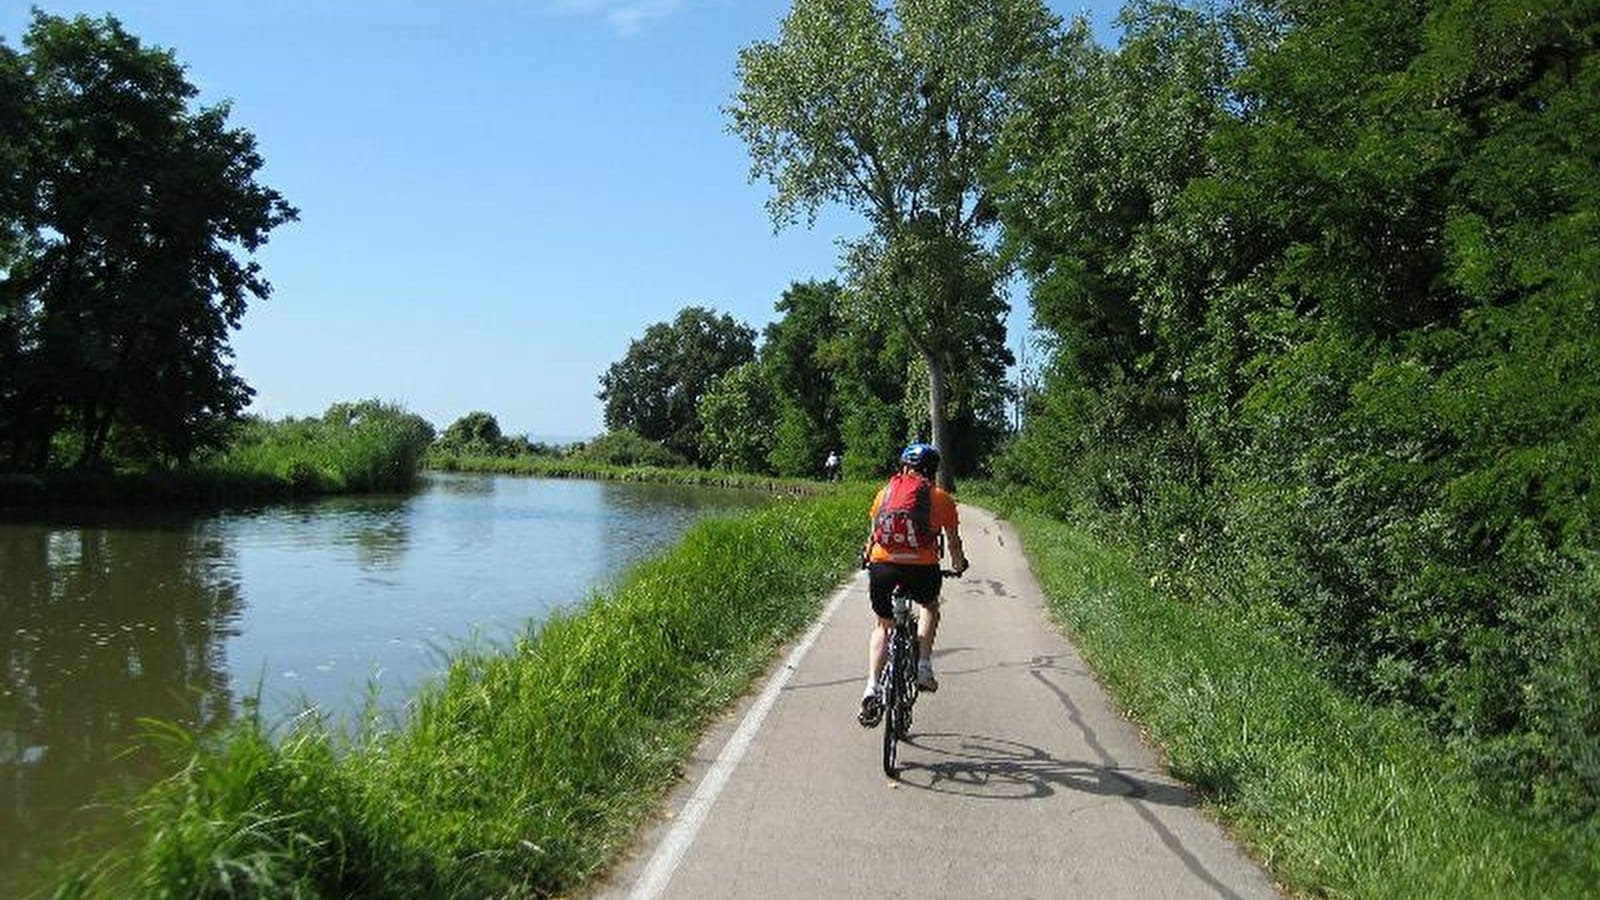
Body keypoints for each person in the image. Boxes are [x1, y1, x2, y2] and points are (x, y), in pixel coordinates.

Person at [857, 442, 968, 728]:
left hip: (883, 567)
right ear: (932, 471)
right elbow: (953, 542)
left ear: (904, 467)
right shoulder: (941, 498)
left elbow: (873, 535)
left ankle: (871, 687)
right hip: (922, 570)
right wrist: (958, 565)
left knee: (883, 624)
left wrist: (867, 558)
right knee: (930, 607)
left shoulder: (885, 493)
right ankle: (923, 665)